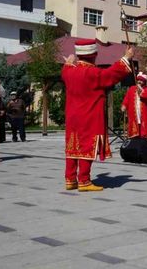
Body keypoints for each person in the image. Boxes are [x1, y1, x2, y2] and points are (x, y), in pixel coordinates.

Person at [62, 39, 133, 192]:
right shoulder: (93, 73)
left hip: (72, 117)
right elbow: (112, 74)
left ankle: (70, 179)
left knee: (73, 146)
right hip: (88, 116)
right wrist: (126, 58)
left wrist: (68, 62)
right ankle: (84, 180)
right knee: (88, 145)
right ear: (94, 55)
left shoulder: (68, 71)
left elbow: (67, 67)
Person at [121, 71, 147, 141]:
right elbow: (127, 98)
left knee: (143, 125)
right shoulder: (132, 89)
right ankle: (134, 139)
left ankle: (143, 139)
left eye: (141, 80)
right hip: (133, 112)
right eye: (138, 80)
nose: (139, 81)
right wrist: (124, 105)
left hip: (143, 113)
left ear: (144, 82)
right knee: (134, 124)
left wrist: (141, 91)